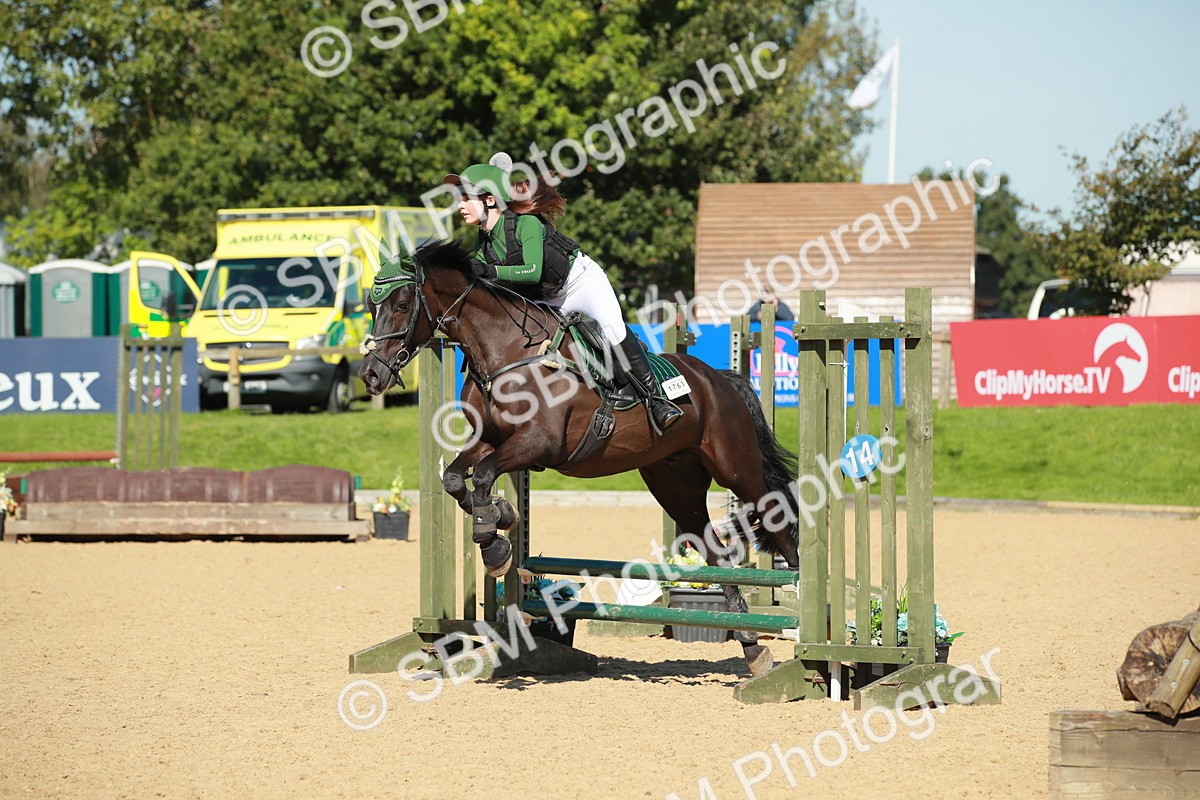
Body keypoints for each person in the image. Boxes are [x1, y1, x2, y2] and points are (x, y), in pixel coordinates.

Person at [443, 154, 683, 433]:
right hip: (546, 297)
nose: (460, 205)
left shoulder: (526, 224)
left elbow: (532, 270)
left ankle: (657, 401)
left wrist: (490, 273)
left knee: (614, 330)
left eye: (466, 198)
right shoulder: (483, 241)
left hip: (581, 282)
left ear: (490, 200)